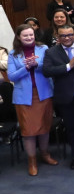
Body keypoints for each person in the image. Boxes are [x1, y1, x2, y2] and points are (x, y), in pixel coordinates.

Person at [8, 24, 56, 176]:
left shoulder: (44, 49)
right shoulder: (13, 54)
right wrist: (26, 68)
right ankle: (32, 160)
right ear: (18, 37)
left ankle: (45, 154)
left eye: (31, 35)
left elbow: (50, 68)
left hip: (44, 93)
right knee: (28, 131)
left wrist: (37, 64)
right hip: (24, 98)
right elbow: (11, 76)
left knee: (44, 127)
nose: (29, 38)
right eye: (25, 36)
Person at [41, 24, 74, 169]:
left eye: (70, 35)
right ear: (58, 37)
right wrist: (69, 66)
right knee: (71, 128)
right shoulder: (51, 52)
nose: (67, 38)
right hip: (66, 98)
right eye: (63, 35)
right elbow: (47, 71)